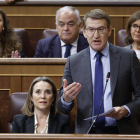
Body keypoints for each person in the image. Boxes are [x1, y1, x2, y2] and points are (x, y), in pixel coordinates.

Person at [57, 9, 140, 134]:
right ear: (84, 32)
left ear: (109, 31)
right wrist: (66, 99)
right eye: (91, 29)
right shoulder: (73, 61)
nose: (96, 35)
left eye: (101, 29)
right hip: (87, 132)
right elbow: (62, 107)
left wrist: (126, 109)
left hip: (121, 131)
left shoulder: (127, 57)